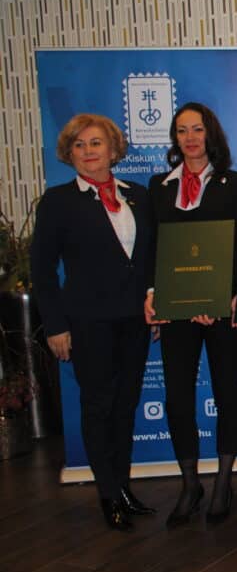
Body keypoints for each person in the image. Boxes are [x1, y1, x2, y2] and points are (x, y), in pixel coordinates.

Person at [31, 114, 156, 531]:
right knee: (99, 405)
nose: (89, 151)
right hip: (88, 323)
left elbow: (150, 259)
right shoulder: (57, 201)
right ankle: (108, 495)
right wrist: (55, 325)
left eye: (96, 143)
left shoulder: (137, 195)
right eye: (80, 145)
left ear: (113, 149)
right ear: (69, 153)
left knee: (126, 406)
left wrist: (154, 301)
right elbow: (43, 271)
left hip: (135, 321)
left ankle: (123, 487)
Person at [145, 102, 237, 528]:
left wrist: (223, 297)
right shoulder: (159, 186)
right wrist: (154, 295)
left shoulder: (235, 183)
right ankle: (190, 483)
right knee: (177, 395)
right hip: (175, 310)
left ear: (211, 134)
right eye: (182, 130)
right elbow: (153, 247)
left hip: (222, 309)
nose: (190, 138)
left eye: (197, 129)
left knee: (226, 390)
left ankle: (223, 480)